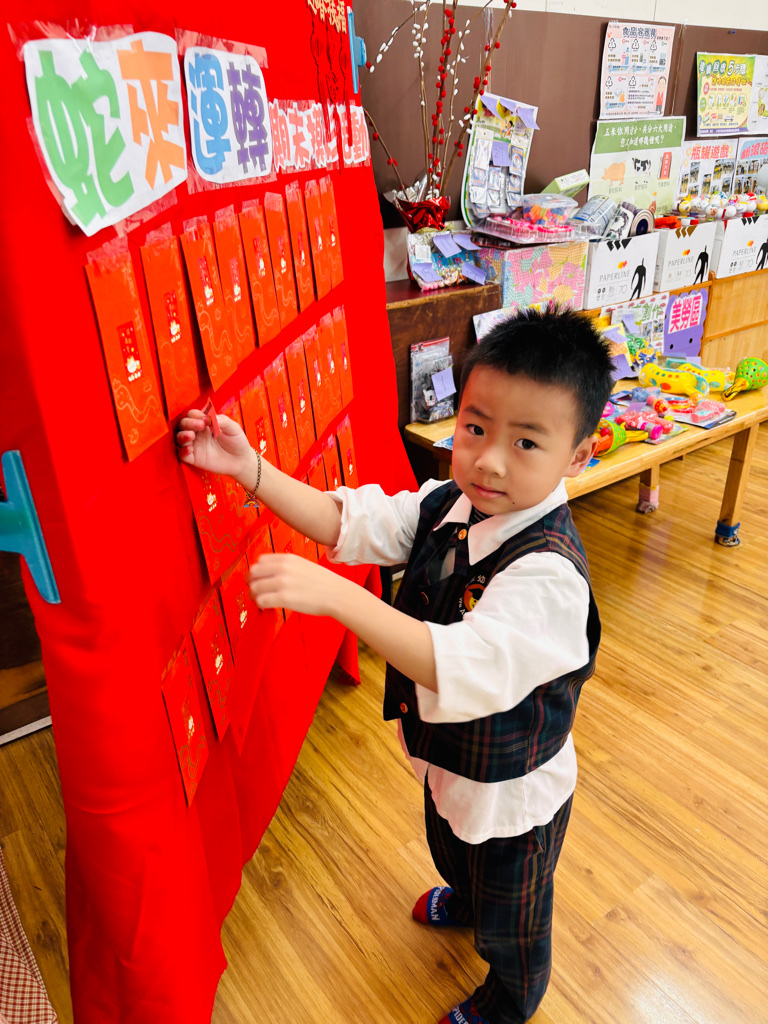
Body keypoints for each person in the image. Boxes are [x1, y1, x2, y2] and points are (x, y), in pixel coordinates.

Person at [175, 307, 615, 1024]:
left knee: (513, 918)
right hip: (450, 764)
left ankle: (511, 999)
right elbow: (348, 520)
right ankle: (466, 897)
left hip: (511, 797)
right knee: (452, 846)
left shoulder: (550, 575)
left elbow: (461, 663)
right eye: (475, 428)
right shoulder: (451, 505)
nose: (490, 460)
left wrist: (339, 598)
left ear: (579, 455)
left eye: (527, 442)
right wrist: (249, 469)